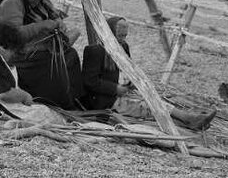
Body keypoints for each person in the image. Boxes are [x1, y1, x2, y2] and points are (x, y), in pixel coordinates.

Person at [82, 16, 217, 130]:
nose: (122, 39)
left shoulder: (123, 47)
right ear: (109, 33)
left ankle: (189, 119)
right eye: (119, 36)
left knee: (153, 98)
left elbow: (127, 69)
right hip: (105, 100)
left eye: (125, 36)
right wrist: (115, 88)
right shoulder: (95, 51)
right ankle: (188, 119)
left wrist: (131, 83)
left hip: (123, 93)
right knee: (150, 106)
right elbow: (89, 81)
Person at [0, 0, 84, 109]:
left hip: (35, 47)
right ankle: (54, 103)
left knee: (71, 55)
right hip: (17, 53)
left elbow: (52, 12)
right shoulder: (11, 4)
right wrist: (43, 25)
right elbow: (14, 35)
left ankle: (76, 99)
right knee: (54, 64)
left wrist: (57, 21)